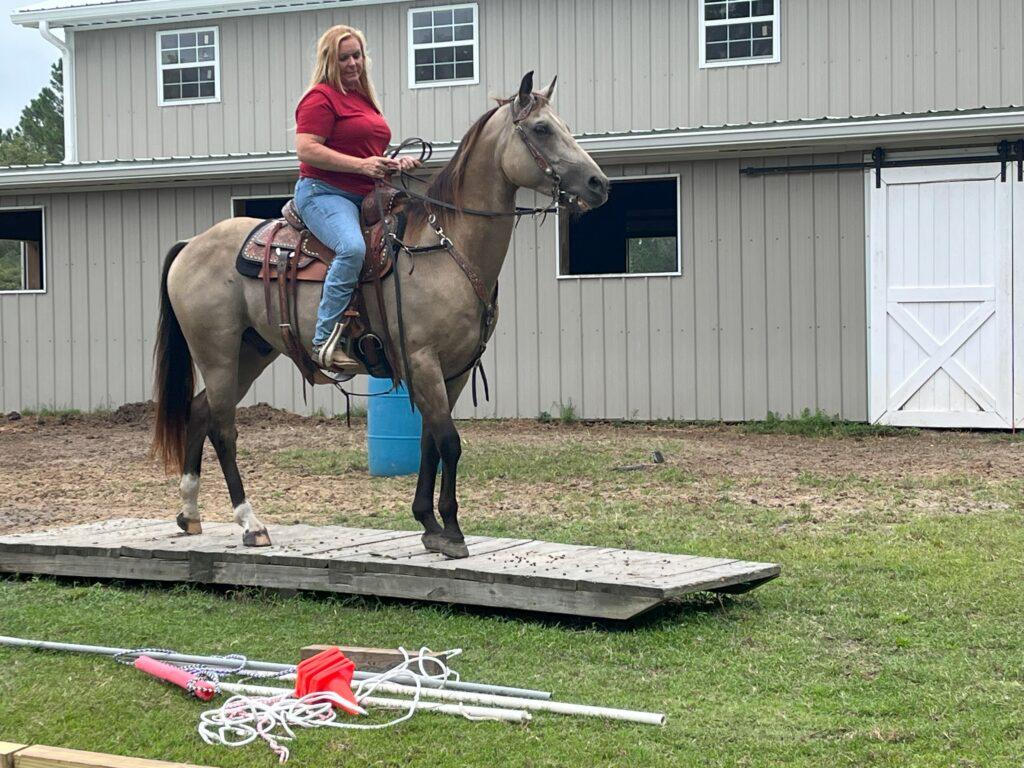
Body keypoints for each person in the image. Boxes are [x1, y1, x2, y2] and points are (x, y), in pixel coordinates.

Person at [294, 25, 420, 369]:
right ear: (329, 60)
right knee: (351, 249)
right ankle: (323, 341)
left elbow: (366, 151)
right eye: (344, 57)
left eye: (357, 55)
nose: (353, 63)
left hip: (367, 192)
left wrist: (390, 163)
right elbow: (306, 149)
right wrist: (362, 165)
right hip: (324, 192)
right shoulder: (320, 97)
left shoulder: (363, 99)